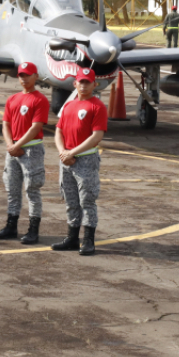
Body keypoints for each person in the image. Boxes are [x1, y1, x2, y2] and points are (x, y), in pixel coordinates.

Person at [53, 68, 107, 256]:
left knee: (87, 200)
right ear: (74, 84)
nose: (83, 85)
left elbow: (96, 136)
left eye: (87, 82)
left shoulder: (97, 106)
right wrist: (62, 152)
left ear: (94, 84)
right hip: (66, 159)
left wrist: (72, 152)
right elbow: (58, 131)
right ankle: (72, 238)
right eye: (80, 82)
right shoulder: (68, 106)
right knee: (70, 200)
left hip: (85, 159)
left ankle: (89, 240)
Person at [0, 62, 48, 245]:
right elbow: (6, 124)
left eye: (27, 75)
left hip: (31, 149)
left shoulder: (39, 99)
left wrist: (19, 144)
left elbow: (36, 126)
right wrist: (10, 144)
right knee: (12, 189)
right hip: (13, 149)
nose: (24, 78)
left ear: (35, 76)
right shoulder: (13, 99)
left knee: (32, 189)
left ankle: (33, 229)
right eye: (21, 75)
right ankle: (11, 225)